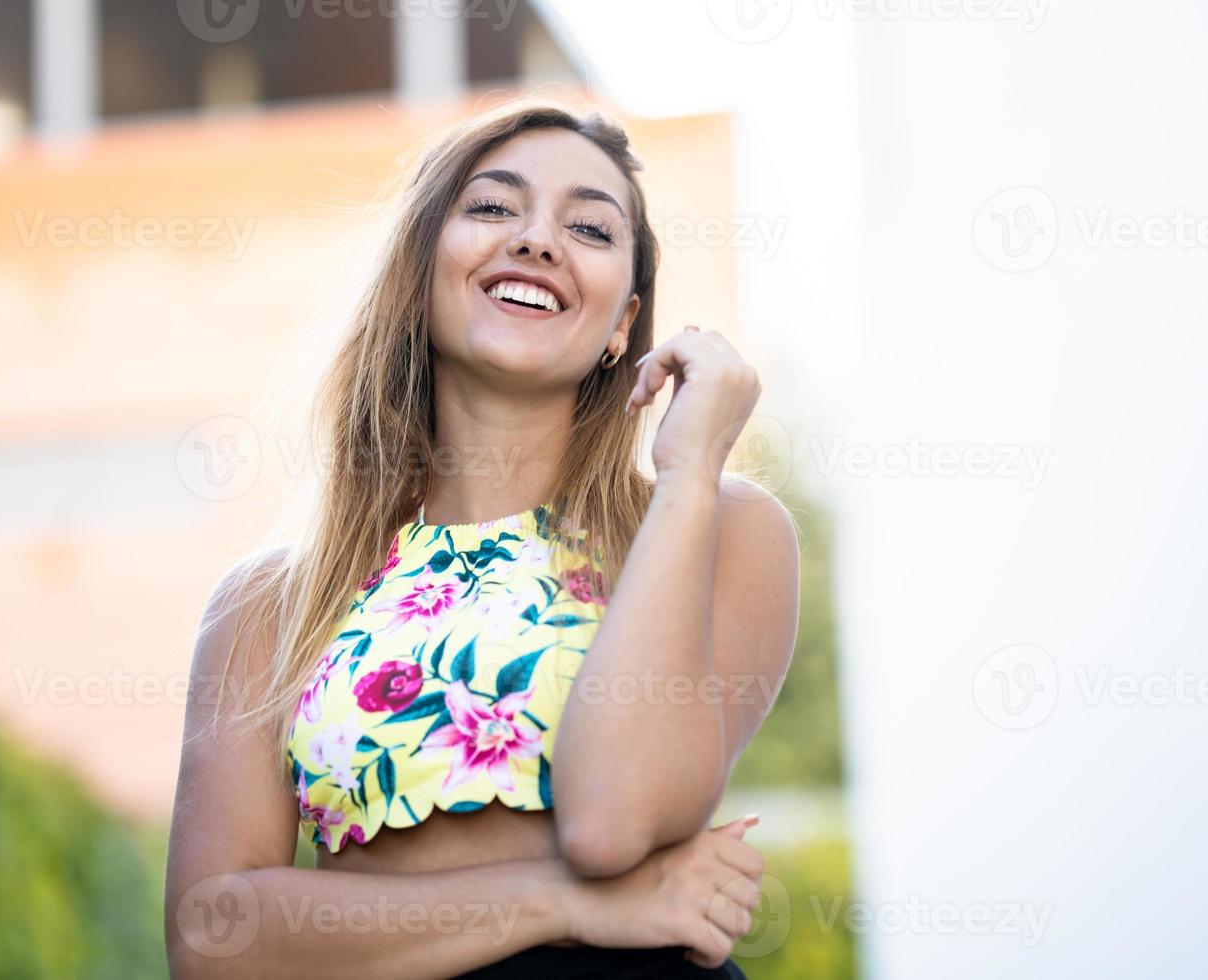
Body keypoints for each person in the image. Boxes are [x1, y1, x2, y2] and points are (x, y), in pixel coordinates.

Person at [164, 99, 801, 980]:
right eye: (495, 207)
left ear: (625, 321)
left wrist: (689, 467)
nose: (539, 240)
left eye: (589, 227)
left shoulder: (718, 525)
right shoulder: (272, 602)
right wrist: (571, 902)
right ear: (422, 268)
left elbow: (610, 823)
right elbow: (213, 936)